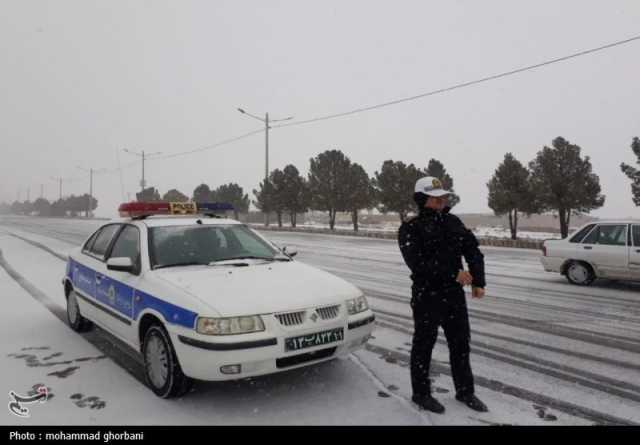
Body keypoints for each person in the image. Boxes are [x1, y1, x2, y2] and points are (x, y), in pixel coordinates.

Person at [398, 176, 488, 414]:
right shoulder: (410, 228)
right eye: (434, 197)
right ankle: (421, 394)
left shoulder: (453, 222)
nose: (441, 200)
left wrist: (478, 280)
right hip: (427, 296)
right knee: (423, 346)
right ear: (421, 199)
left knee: (460, 345)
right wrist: (453, 274)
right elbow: (418, 264)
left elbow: (473, 251)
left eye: (443, 196)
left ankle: (465, 391)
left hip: (454, 297)